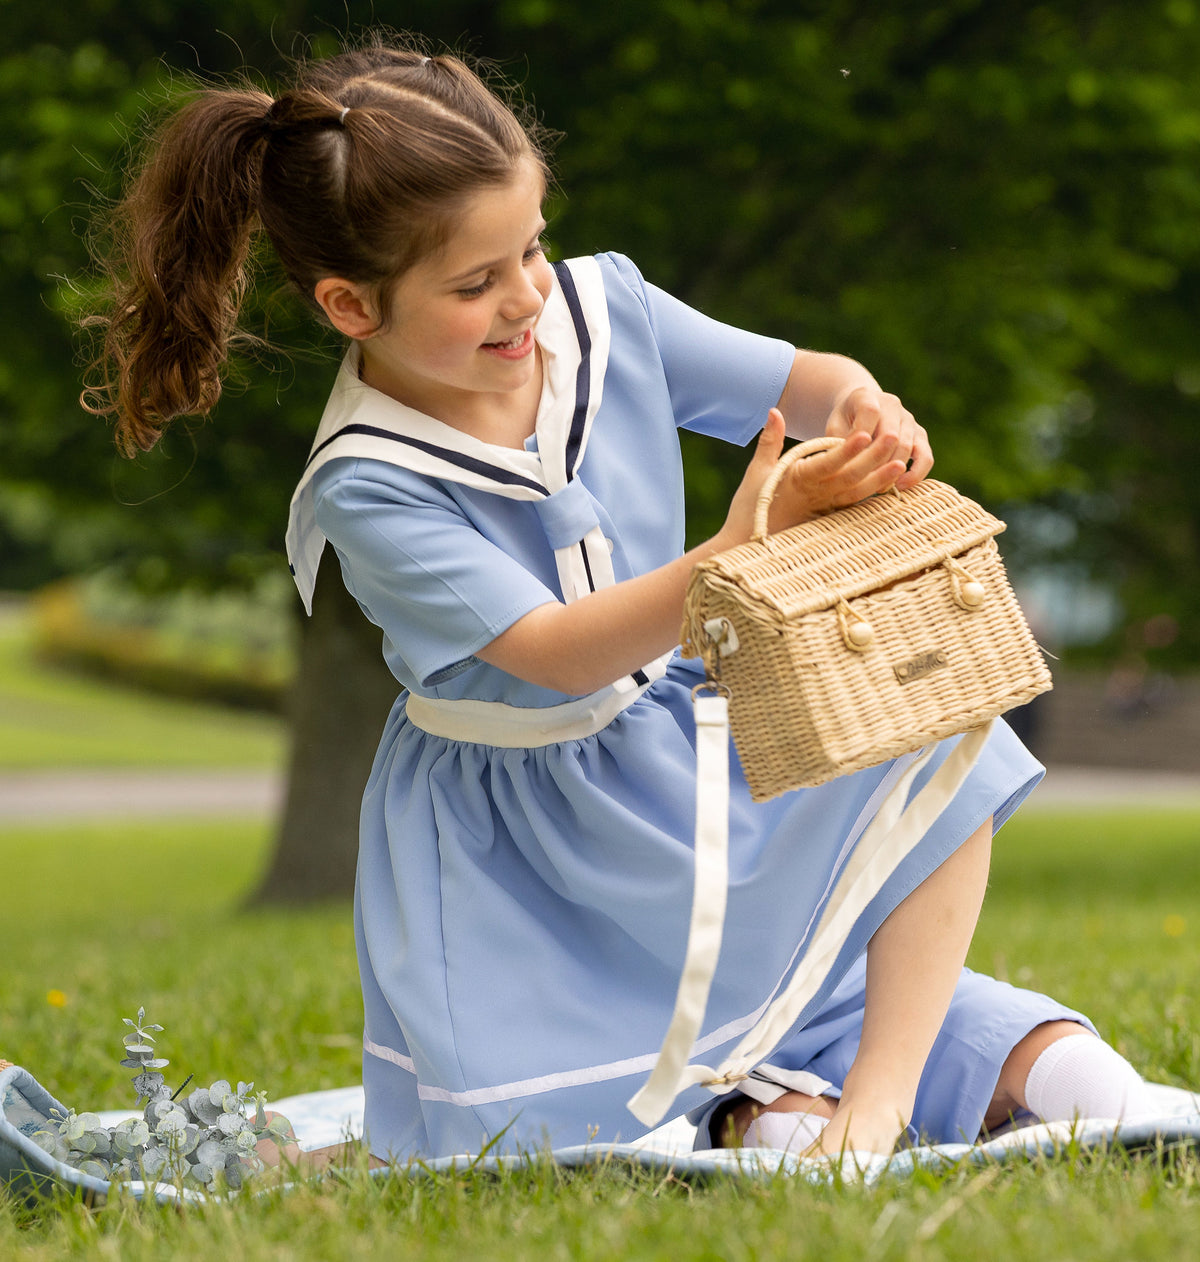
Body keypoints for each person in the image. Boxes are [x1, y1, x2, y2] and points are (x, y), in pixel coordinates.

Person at [81, 36, 1156, 1167]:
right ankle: (778, 1108)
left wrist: (868, 414)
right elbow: (553, 653)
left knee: (934, 739)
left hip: (686, 734)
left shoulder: (607, 313)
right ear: (352, 305)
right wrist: (738, 550)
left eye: (531, 249)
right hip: (526, 839)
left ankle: (878, 1104)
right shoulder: (368, 479)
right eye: (473, 283)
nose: (523, 298)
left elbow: (810, 379)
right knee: (590, 1111)